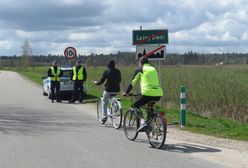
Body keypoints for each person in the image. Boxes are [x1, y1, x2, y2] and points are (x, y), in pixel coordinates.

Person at [123, 57, 163, 132]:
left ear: (140, 62)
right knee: (150, 107)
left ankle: (143, 122)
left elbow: (132, 83)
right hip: (158, 93)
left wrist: (127, 92)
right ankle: (149, 125)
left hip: (147, 93)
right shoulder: (153, 69)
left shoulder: (140, 69)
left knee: (135, 106)